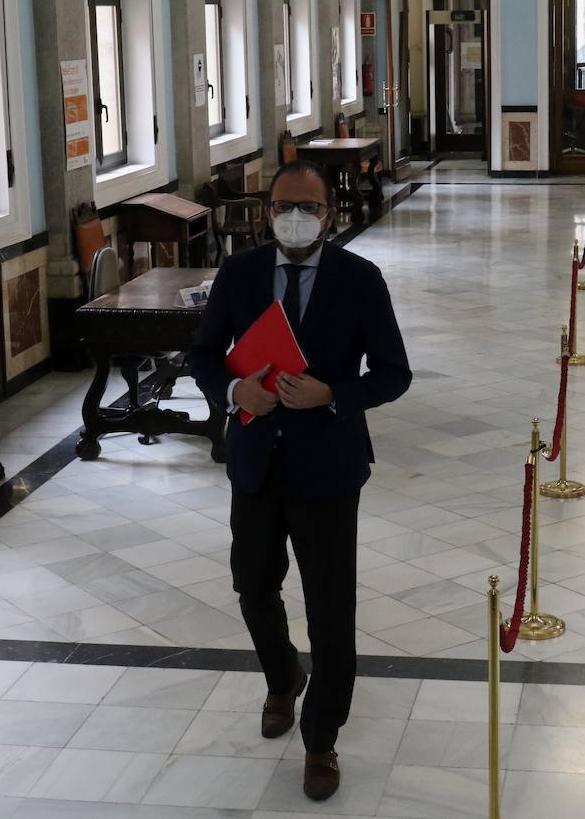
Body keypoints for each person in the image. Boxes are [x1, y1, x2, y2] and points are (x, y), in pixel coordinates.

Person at [189, 160, 412, 801]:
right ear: (267, 212)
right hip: (257, 459)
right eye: (285, 205)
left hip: (329, 466)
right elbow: (204, 354)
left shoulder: (360, 279)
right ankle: (283, 676)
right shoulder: (240, 274)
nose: (296, 217)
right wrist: (236, 392)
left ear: (330, 214)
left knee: (330, 605)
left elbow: (393, 373)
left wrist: (332, 394)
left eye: (309, 207)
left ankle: (321, 739)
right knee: (253, 585)